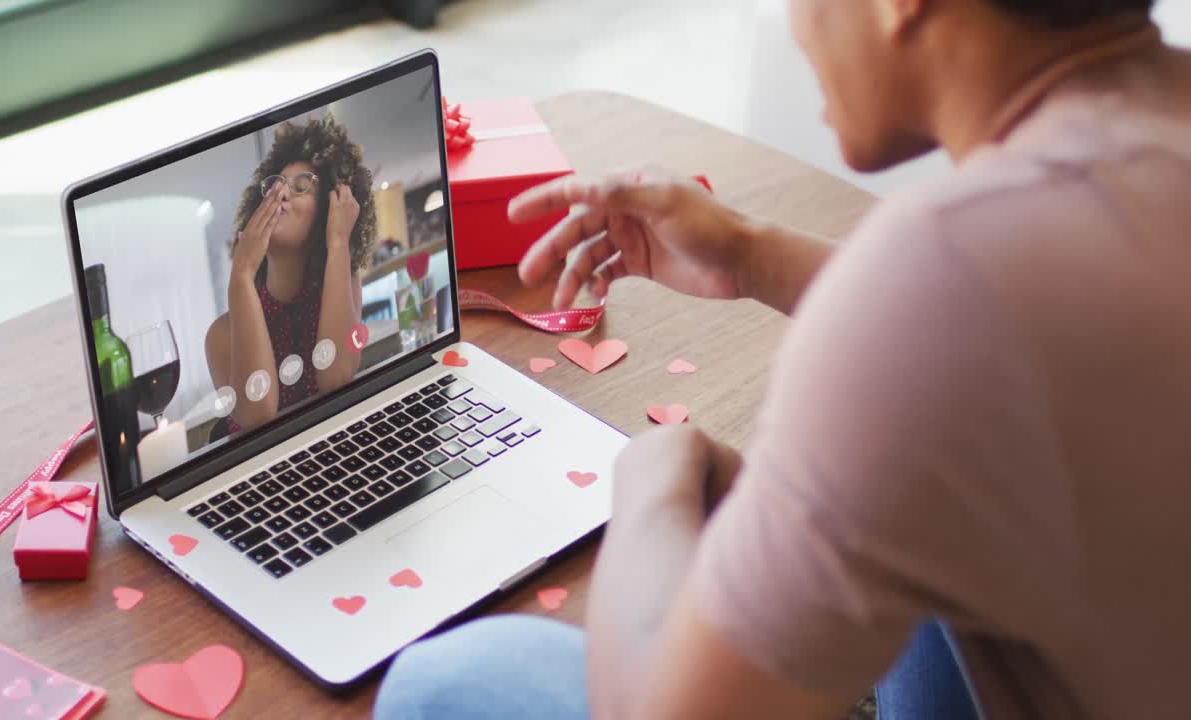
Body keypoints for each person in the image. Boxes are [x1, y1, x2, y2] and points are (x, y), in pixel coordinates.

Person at [373, 0, 1191, 718]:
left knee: (444, 681)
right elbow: (1018, 327)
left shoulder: (943, 279)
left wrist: (656, 470)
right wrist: (753, 255)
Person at [205, 114, 376, 434]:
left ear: (327, 212)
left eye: (300, 188)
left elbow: (336, 377)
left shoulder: (344, 284)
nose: (280, 195)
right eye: (274, 187)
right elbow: (259, 418)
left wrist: (339, 241)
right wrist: (241, 274)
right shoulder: (220, 336)